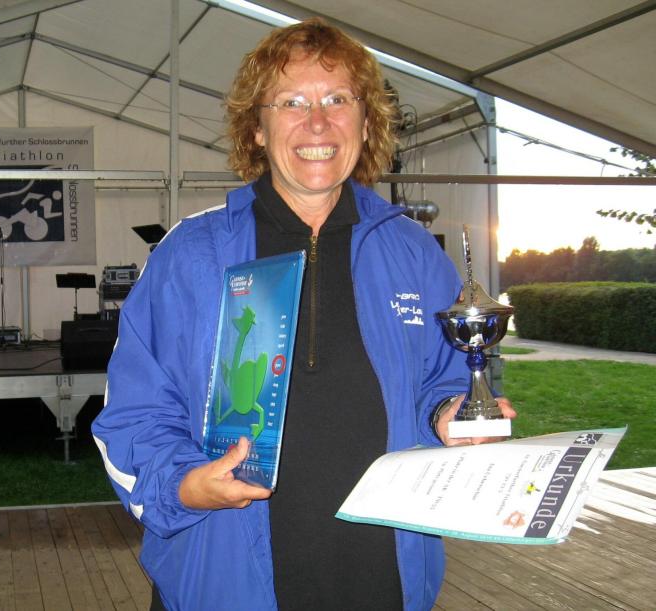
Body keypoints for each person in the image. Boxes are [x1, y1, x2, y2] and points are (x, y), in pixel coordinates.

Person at [92, 17, 515, 611]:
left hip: (382, 583)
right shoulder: (191, 256)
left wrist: (450, 415)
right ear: (257, 128)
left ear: (366, 122)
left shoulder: (415, 255)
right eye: (291, 101)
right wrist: (185, 484)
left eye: (337, 99)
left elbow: (445, 382)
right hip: (224, 584)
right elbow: (135, 415)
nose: (317, 122)